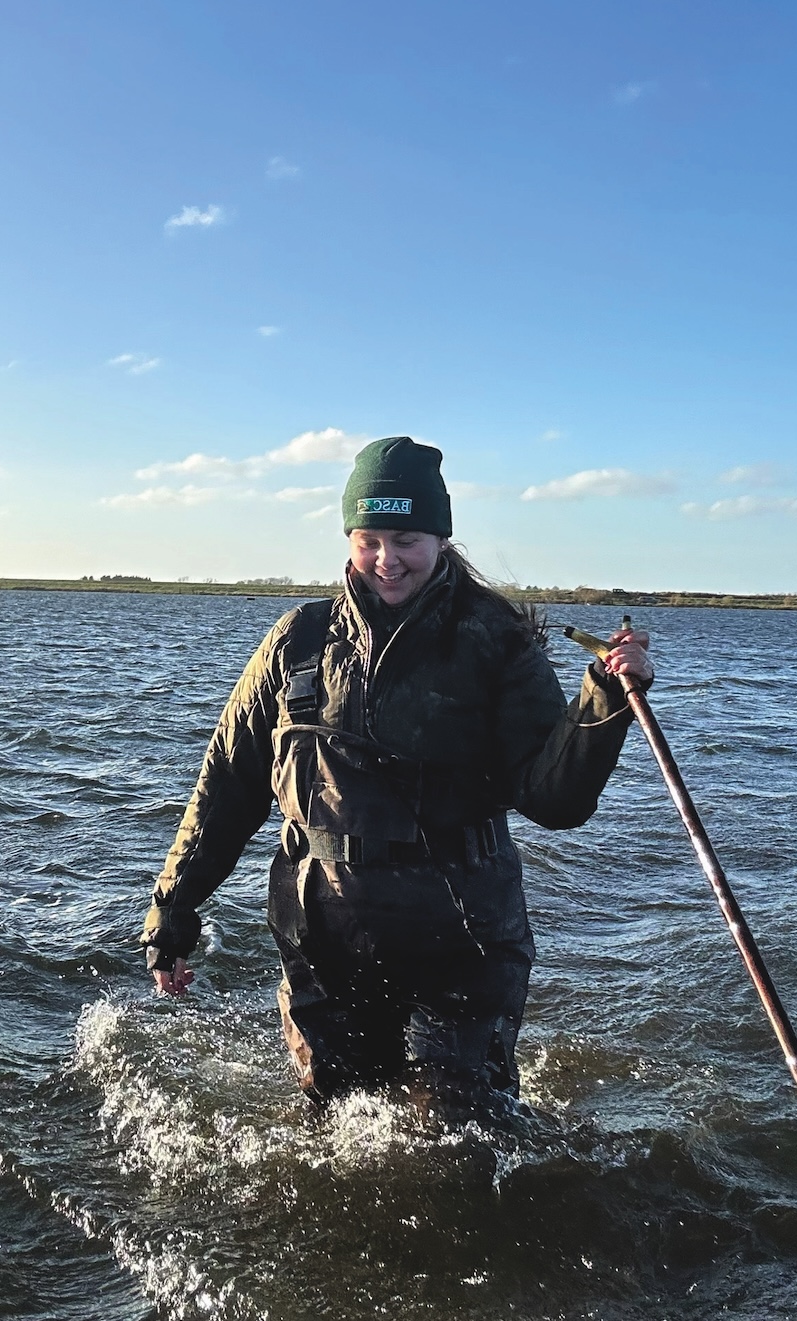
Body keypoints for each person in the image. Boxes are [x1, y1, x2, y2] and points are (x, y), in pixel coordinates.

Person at [140, 436, 653, 1111]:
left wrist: (605, 699)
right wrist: (173, 907)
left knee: (459, 1130)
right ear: (349, 537)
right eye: (370, 537)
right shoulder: (297, 638)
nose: (387, 559)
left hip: (461, 936)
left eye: (406, 537)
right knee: (333, 1122)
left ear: (440, 537)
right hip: (322, 934)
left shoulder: (493, 638)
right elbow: (227, 783)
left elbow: (552, 797)